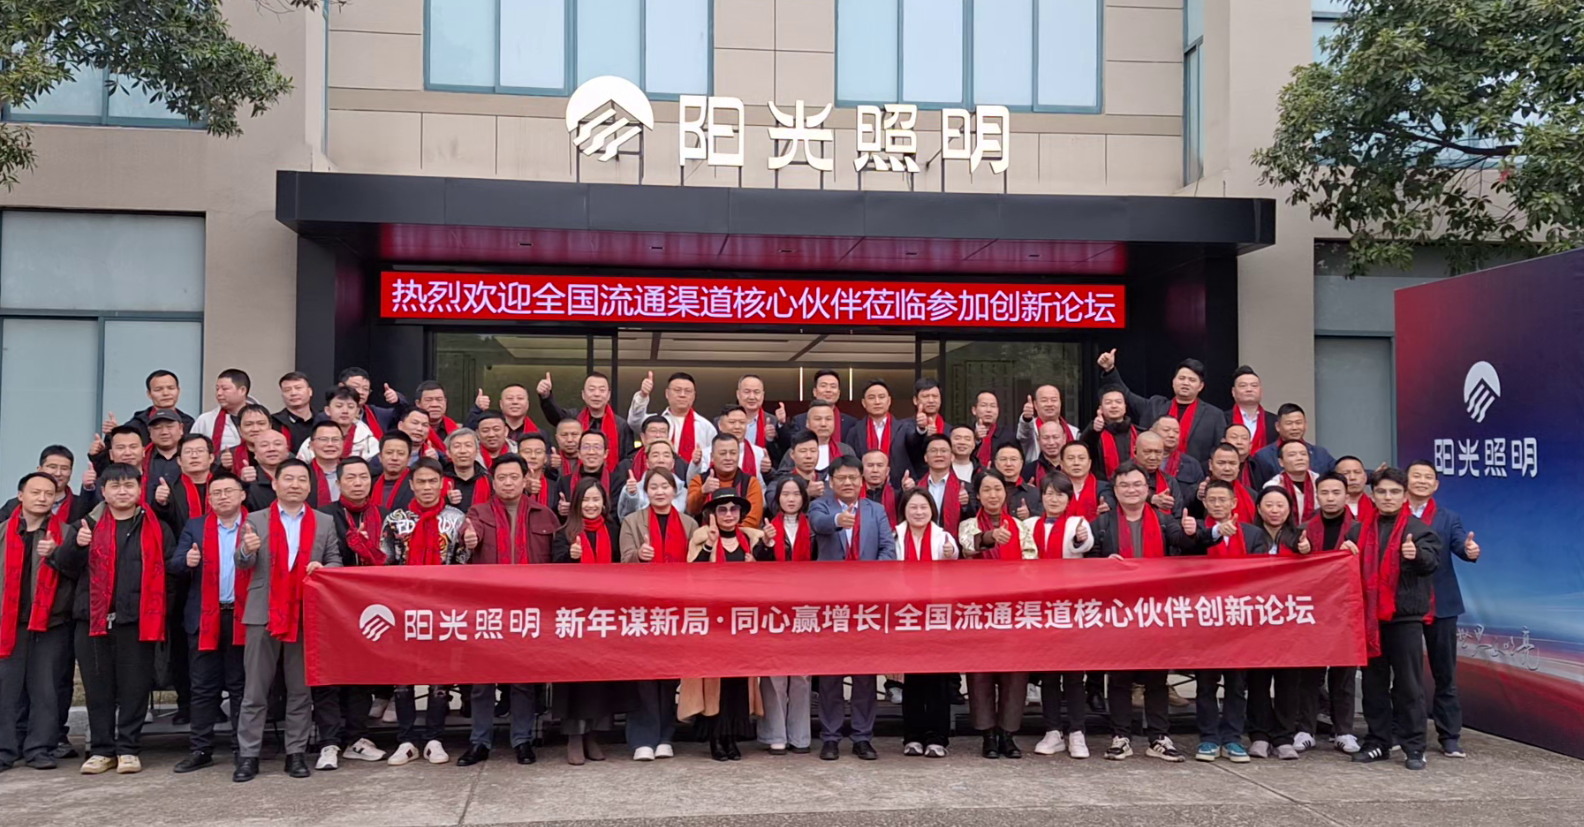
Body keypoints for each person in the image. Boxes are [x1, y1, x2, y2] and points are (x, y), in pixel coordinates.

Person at [52, 463, 174, 776]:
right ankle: (102, 750)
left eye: (129, 485)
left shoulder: (156, 526)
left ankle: (129, 749)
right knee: (98, 688)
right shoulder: (86, 524)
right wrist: (77, 546)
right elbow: (63, 567)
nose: (122, 492)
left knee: (135, 687)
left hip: (137, 620)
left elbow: (170, 574)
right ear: (103, 491)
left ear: (139, 489)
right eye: (115, 486)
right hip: (91, 620)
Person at [231, 459, 339, 782]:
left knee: (300, 690)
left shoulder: (323, 522)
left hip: (304, 612)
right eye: (288, 479)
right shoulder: (255, 519)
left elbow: (335, 560)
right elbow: (241, 562)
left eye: (301, 479)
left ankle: (296, 753)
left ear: (309, 486)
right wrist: (247, 551)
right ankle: (248, 756)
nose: (295, 485)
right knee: (255, 690)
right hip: (262, 612)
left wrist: (324, 569)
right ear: (275, 484)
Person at [1090, 461, 1198, 762]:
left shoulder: (1163, 520)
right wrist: (1102, 564)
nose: (1131, 490)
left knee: (1156, 676)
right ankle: (1121, 736)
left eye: (1137, 484)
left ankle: (1159, 737)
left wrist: (1191, 533)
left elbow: (1183, 543)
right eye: (1124, 485)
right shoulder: (1103, 523)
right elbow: (1087, 560)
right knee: (1120, 677)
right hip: (1118, 610)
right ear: (1115, 490)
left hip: (1155, 609)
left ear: (1147, 489)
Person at [459, 455, 557, 767]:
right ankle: (479, 741)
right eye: (502, 477)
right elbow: (467, 538)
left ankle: (522, 740)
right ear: (493, 481)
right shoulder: (478, 513)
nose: (508, 483)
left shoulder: (544, 515)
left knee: (522, 680)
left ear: (526, 479)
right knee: (482, 681)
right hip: (488, 608)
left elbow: (558, 563)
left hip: (529, 609)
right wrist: (468, 538)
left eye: (514, 477)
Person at [1344, 466, 1440, 770]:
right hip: (1369, 619)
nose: (1388, 497)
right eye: (1382, 492)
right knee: (1373, 685)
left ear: (1405, 496)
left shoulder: (1419, 530)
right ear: (1373, 495)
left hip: (1404, 618)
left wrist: (1416, 555)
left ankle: (1414, 746)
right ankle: (1377, 742)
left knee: (1409, 685)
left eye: (1394, 492)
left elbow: (1432, 562)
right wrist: (1345, 553)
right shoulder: (1358, 530)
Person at [380, 458, 467, 767]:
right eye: (421, 482)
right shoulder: (396, 520)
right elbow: (385, 563)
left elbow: (465, 563)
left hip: (443, 607)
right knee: (403, 676)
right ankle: (406, 739)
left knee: (439, 675)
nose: (427, 487)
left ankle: (434, 737)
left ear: (442, 484)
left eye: (433, 482)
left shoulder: (457, 519)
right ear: (411, 485)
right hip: (404, 606)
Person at [808, 457, 895, 760]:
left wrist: (870, 579)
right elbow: (818, 524)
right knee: (830, 674)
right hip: (831, 603)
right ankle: (831, 737)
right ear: (831, 482)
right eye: (841, 478)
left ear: (862, 480)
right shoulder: (820, 506)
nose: (848, 483)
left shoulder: (876, 510)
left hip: (865, 604)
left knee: (864, 673)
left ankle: (862, 737)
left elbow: (888, 549)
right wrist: (837, 521)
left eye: (853, 477)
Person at [169, 472, 249, 774]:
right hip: (204, 617)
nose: (223, 497)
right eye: (216, 493)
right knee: (203, 688)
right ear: (210, 499)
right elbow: (175, 563)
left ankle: (243, 749)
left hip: (242, 617)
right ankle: (200, 749)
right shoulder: (196, 526)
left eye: (229, 491)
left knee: (241, 686)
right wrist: (186, 562)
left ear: (242, 495)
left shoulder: (255, 525)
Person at [616, 468, 698, 761]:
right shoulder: (632, 521)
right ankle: (642, 738)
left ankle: (665, 736)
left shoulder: (689, 524)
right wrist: (639, 556)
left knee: (669, 675)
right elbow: (623, 562)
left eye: (665, 486)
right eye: (654, 487)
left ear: (675, 490)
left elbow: (697, 565)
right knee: (643, 675)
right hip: (642, 608)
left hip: (677, 608)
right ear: (646, 491)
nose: (660, 492)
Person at [549, 478, 632, 764]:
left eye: (596, 500)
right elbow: (551, 575)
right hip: (575, 618)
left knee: (599, 680)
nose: (591, 505)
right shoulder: (564, 533)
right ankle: (574, 737)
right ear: (576, 504)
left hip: (605, 616)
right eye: (586, 500)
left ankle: (593, 735)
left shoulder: (613, 530)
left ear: (604, 503)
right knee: (576, 680)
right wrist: (570, 558)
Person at [315, 457, 390, 768]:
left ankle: (357, 738)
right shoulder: (323, 517)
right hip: (333, 608)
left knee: (361, 675)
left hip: (372, 608)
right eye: (351, 478)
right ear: (339, 482)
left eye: (364, 477)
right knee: (329, 676)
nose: (358, 483)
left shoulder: (385, 516)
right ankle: (329, 742)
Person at [1405, 460, 1481, 759]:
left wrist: (1470, 551)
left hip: (1442, 605)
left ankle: (1449, 736)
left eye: (1428, 477)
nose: (1422, 481)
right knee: (1406, 675)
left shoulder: (1449, 518)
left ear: (1436, 485)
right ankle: (1403, 731)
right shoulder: (1395, 514)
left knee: (1445, 674)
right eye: (1416, 476)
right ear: (1406, 481)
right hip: (1405, 605)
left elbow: (1461, 545)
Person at [0, 472, 76, 772]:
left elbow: (77, 574)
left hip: (50, 624)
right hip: (8, 624)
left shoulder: (66, 533)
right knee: (6, 689)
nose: (42, 498)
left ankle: (40, 749)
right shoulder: (3, 532)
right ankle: (5, 750)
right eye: (35, 492)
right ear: (21, 496)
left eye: (48, 493)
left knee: (46, 689)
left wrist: (57, 554)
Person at [683, 490, 765, 761]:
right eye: (722, 510)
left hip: (740, 621)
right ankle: (716, 738)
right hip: (712, 622)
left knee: (736, 681)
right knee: (713, 682)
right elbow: (691, 576)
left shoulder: (751, 540)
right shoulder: (701, 538)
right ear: (712, 514)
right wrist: (709, 546)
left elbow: (768, 580)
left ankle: (732, 736)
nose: (728, 514)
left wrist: (757, 564)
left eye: (733, 509)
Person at [957, 472, 1034, 759]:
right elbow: (968, 546)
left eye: (998, 489)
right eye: (987, 490)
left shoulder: (1020, 526)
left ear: (1006, 493)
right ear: (978, 495)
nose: (993, 495)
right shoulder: (968, 524)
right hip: (979, 610)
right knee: (980, 673)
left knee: (1015, 673)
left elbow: (1032, 561)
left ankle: (1007, 734)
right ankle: (987, 734)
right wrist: (991, 537)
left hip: (1013, 609)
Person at [1022, 475, 1094, 760]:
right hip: (1039, 608)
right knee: (1049, 674)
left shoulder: (1078, 523)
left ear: (1068, 499)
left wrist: (1079, 539)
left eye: (1060, 495)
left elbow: (1083, 545)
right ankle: (1053, 731)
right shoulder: (1030, 525)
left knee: (1074, 675)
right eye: (1049, 494)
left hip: (1069, 607)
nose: (1054, 499)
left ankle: (1077, 732)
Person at [1239, 487, 1310, 761]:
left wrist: (1307, 552)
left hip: (1289, 617)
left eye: (1280, 505)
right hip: (1256, 616)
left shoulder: (1300, 536)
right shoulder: (1248, 534)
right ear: (1259, 508)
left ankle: (1284, 737)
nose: (1275, 510)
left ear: (1289, 509)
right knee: (1258, 679)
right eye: (1269, 504)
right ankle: (1259, 735)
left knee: (1288, 680)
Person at [889, 488, 959, 758]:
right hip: (906, 614)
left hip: (937, 614)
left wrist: (951, 554)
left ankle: (937, 738)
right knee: (913, 679)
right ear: (904, 511)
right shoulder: (894, 536)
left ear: (932, 510)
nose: (919, 512)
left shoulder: (944, 537)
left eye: (923, 507)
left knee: (938, 679)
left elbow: (954, 568)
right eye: (913, 508)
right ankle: (913, 737)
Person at [1298, 472, 1360, 754]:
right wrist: (1300, 552)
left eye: (1336, 493)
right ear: (1316, 496)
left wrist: (1356, 555)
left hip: (1346, 611)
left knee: (1343, 674)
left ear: (1347, 496)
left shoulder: (1360, 530)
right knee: (1309, 674)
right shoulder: (1303, 530)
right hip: (1312, 610)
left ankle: (1344, 731)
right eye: (1324, 493)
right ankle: (1305, 729)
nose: (1331, 498)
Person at [1192, 480, 1251, 763]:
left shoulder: (1251, 534)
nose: (1217, 504)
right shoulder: (1196, 532)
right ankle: (1208, 738)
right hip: (1205, 619)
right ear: (1205, 503)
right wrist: (1216, 533)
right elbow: (1189, 550)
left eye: (1222, 500)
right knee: (1206, 683)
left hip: (1240, 618)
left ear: (1234, 503)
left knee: (1236, 684)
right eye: (1212, 500)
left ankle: (1232, 739)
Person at [754, 476, 814, 756]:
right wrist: (766, 543)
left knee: (801, 675)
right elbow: (756, 563)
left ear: (804, 498)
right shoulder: (766, 528)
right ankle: (775, 734)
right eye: (785, 494)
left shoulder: (814, 529)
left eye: (796, 494)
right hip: (774, 608)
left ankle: (800, 735)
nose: (791, 499)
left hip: (805, 607)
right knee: (774, 673)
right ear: (777, 499)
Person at [1097, 350, 1224, 463]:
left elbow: (1219, 452)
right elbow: (1127, 395)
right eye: (1182, 378)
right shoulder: (1154, 406)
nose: (1185, 383)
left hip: (1194, 476)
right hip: (1153, 473)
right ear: (1173, 382)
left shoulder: (1214, 415)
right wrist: (1110, 369)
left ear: (1200, 386)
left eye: (1192, 380)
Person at [537, 373, 633, 466]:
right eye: (591, 389)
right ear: (583, 395)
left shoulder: (621, 425)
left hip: (612, 475)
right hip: (577, 473)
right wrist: (546, 396)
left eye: (602, 390)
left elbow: (627, 458)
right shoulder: (574, 418)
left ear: (608, 395)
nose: (596, 394)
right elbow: (555, 415)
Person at [627, 371, 716, 469]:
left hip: (694, 477)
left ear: (694, 395)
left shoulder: (706, 427)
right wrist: (642, 396)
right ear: (667, 393)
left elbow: (712, 459)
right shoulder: (656, 422)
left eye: (687, 391)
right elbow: (634, 421)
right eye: (677, 390)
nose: (682, 395)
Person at [688, 433, 765, 528]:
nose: (728, 458)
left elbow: (753, 520)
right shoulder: (700, 480)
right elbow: (691, 510)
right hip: (707, 533)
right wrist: (703, 491)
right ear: (712, 457)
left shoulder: (751, 482)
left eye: (733, 453)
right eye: (722, 453)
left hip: (742, 534)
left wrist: (729, 534)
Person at [1250, 404, 1336, 487]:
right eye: (1289, 423)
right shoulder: (1263, 456)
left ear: (1305, 425)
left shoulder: (1320, 453)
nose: (1294, 427)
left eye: (1298, 423)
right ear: (1278, 426)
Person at [844, 379, 907, 486]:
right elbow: (850, 462)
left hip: (898, 488)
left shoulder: (904, 429)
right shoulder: (855, 431)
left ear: (889, 401)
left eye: (881, 397)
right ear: (864, 403)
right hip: (863, 489)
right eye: (871, 398)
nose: (877, 402)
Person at [905, 434, 970, 530]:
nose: (938, 454)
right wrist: (906, 492)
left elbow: (972, 520)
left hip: (953, 538)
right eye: (933, 451)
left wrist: (965, 505)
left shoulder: (966, 488)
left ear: (952, 457)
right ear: (925, 457)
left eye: (943, 451)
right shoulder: (916, 488)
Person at [296, 387, 378, 461]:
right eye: (339, 406)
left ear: (357, 411)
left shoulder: (368, 441)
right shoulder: (313, 441)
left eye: (350, 407)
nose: (345, 411)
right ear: (328, 410)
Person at [778, 401, 853, 477]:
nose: (823, 424)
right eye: (818, 419)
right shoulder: (796, 450)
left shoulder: (845, 450)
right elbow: (782, 477)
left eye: (828, 419)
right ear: (807, 423)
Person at [615, 439, 684, 520]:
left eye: (666, 455)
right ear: (647, 462)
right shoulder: (633, 489)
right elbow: (625, 521)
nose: (661, 460)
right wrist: (631, 496)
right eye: (655, 455)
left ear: (673, 463)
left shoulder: (684, 492)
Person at [191, 369, 253, 456]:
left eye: (225, 389)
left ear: (242, 390)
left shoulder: (261, 419)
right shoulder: (205, 420)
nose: (219, 393)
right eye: (217, 389)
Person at [779, 369, 860, 436]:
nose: (828, 390)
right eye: (823, 386)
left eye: (833, 386)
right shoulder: (799, 420)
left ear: (839, 393)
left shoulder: (851, 423)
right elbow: (790, 445)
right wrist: (781, 423)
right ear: (814, 392)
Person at [553, 430, 613, 521]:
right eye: (586, 447)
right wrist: (561, 511)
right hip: (572, 528)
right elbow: (554, 515)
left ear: (605, 453)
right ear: (579, 453)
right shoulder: (564, 482)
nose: (591, 452)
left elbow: (617, 514)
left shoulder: (616, 480)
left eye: (597, 447)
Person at [337, 367, 409, 439]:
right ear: (341, 387)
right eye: (356, 387)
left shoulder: (377, 414)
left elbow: (405, 414)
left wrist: (398, 400)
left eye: (365, 389)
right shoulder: (331, 413)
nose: (361, 392)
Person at [1195, 443, 1258, 524]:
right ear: (1210, 464)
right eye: (1221, 463)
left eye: (1232, 463)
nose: (1227, 468)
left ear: (1238, 466)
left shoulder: (1251, 495)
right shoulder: (1200, 492)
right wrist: (1199, 496)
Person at [1016, 384, 1080, 464]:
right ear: (1035, 405)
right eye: (1044, 400)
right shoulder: (1031, 429)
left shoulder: (1073, 432)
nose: (1049, 404)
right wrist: (1026, 418)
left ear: (1060, 403)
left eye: (1053, 400)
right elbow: (1024, 433)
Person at [1082, 390, 1137, 480]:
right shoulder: (1094, 433)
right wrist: (1093, 430)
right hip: (1103, 484)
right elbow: (1084, 449)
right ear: (1100, 409)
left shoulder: (1137, 433)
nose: (1114, 406)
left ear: (1125, 407)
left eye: (1118, 402)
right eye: (1108, 403)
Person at [900, 379, 949, 479]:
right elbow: (911, 443)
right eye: (926, 396)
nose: (931, 400)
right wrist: (921, 430)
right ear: (915, 400)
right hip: (914, 481)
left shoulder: (950, 430)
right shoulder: (903, 426)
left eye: (935, 396)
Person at [1263, 438, 1320, 522]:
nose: (1299, 458)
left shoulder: (1320, 481)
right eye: (1292, 455)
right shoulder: (1274, 485)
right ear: (1281, 462)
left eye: (1303, 454)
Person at [1130, 431, 1183, 518]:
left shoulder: (1169, 481)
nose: (1153, 457)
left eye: (1158, 452)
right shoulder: (1123, 475)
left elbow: (1177, 515)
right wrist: (1151, 498)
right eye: (1147, 452)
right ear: (1135, 451)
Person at [297, 420, 347, 509]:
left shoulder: (352, 471)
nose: (330, 444)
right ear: (311, 445)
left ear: (343, 443)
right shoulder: (302, 474)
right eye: (323, 439)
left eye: (335, 439)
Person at [1151, 416, 1205, 498]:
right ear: (1152, 432)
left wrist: (1199, 493)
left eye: (1176, 431)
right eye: (1166, 430)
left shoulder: (1191, 464)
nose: (1172, 435)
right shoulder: (1141, 461)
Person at [1229, 366, 1278, 454]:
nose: (1249, 389)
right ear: (1233, 392)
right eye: (1243, 386)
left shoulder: (1275, 421)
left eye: (1254, 386)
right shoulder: (1222, 419)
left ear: (1261, 391)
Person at [716, 405, 770, 483]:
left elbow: (762, 486)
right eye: (732, 422)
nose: (737, 427)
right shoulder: (708, 453)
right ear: (720, 425)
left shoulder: (759, 453)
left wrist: (768, 472)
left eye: (742, 422)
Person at [128, 369, 195, 433]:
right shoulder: (135, 426)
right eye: (158, 389)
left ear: (179, 391)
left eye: (171, 388)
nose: (166, 393)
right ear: (149, 394)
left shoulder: (190, 423)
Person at [469, 383, 539, 443]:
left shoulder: (538, 434)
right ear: (501, 404)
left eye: (520, 398)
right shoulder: (489, 431)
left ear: (527, 404)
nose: (515, 402)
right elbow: (467, 434)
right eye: (509, 398)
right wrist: (477, 409)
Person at [444, 428, 492, 513]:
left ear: (477, 452)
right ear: (448, 453)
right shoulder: (439, 480)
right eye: (457, 446)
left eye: (468, 445)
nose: (463, 451)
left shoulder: (488, 480)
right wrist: (446, 500)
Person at [734, 374, 778, 465]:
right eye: (747, 392)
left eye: (756, 392)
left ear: (763, 395)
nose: (752, 397)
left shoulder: (773, 421)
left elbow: (779, 455)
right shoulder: (724, 421)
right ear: (738, 394)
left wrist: (770, 439)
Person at [219, 404, 273, 477]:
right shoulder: (229, 456)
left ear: (270, 427)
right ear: (239, 429)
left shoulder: (281, 454)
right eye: (248, 424)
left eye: (261, 423)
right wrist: (224, 468)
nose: (255, 429)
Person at [242, 430, 291, 511]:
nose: (271, 449)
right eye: (264, 445)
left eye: (277, 444)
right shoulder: (248, 482)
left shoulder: (300, 478)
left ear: (287, 451)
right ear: (255, 453)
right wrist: (243, 485)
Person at [969, 391, 1018, 468]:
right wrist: (976, 439)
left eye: (993, 406)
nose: (989, 410)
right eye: (983, 405)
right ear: (974, 410)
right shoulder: (966, 433)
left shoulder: (1008, 436)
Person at [990, 444, 1038, 520]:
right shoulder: (987, 491)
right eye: (1003, 459)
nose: (1008, 464)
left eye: (1013, 459)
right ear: (996, 463)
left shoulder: (1035, 493)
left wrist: (1029, 515)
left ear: (1021, 463)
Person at [370, 432, 416, 511]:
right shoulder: (370, 484)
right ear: (380, 457)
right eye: (389, 452)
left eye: (401, 453)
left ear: (409, 458)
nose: (394, 458)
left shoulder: (417, 484)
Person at [273, 372, 317, 453]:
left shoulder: (324, 419)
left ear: (310, 391)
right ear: (282, 395)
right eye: (287, 390)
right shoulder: (274, 422)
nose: (293, 393)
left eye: (298, 388)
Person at [414, 381, 458, 458]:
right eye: (429, 400)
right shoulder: (413, 430)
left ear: (445, 402)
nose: (435, 405)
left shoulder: (454, 429)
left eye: (439, 399)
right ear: (418, 404)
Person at [1021, 419, 1068, 489]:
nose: (1051, 442)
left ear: (1064, 439)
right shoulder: (1028, 470)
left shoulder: (1072, 467)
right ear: (1038, 440)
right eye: (1046, 438)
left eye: (1055, 437)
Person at [515, 433, 556, 509]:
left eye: (538, 452)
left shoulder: (555, 487)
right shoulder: (511, 484)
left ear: (545, 458)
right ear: (518, 455)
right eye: (527, 452)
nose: (533, 456)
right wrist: (525, 489)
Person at [1334, 455, 1376, 521]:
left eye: (1357, 472)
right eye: (1345, 473)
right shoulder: (1328, 510)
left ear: (1365, 477)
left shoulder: (1378, 508)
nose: (1352, 477)